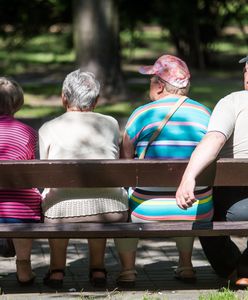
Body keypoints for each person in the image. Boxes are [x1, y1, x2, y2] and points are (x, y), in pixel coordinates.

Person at [39, 70, 137, 289]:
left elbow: (44, 173)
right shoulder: (111, 123)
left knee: (57, 199)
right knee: (100, 195)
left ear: (64, 97)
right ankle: (98, 268)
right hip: (112, 210)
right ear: (96, 100)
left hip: (59, 213)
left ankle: (56, 271)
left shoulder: (48, 128)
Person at [121, 54, 213, 283]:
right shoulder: (205, 115)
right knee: (187, 193)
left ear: (160, 87)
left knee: (121, 202)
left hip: (145, 209)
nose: (149, 86)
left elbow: (125, 161)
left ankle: (128, 271)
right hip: (195, 209)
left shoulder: (142, 114)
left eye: (151, 80)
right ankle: (185, 265)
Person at [176, 55, 248, 287]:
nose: (246, 76)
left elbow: (215, 138)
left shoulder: (233, 102)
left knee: (203, 213)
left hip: (234, 206)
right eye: (246, 70)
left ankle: (235, 269)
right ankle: (244, 270)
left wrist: (189, 177)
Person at [0, 77, 42, 285]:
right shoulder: (28, 132)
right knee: (22, 201)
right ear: (17, 103)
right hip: (21, 211)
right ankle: (23, 265)